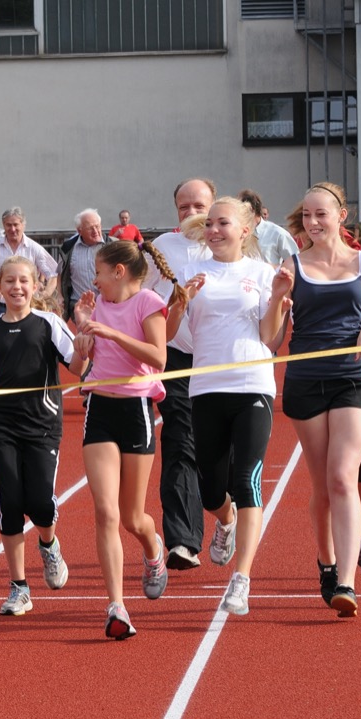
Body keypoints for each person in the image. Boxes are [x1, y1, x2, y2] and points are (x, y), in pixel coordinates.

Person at [263, 182, 361, 617]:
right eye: (307, 216)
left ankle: (348, 583)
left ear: (341, 216)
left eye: (322, 214)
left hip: (353, 377)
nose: (314, 223)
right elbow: (270, 339)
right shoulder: (291, 264)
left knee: (342, 478)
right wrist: (279, 297)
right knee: (322, 486)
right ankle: (326, 561)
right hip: (306, 379)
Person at [165, 197, 282, 616]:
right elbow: (169, 333)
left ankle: (242, 577)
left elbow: (270, 337)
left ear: (244, 230)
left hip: (252, 386)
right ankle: (225, 521)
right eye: (210, 224)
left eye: (223, 223)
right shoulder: (190, 273)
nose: (214, 230)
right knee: (213, 489)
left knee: (249, 482)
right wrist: (180, 301)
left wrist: (280, 299)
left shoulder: (261, 273)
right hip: (206, 388)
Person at [0, 256, 86, 617]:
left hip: (41, 425)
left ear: (35, 285)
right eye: (9, 281)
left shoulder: (49, 323)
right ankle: (19, 587)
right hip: (0, 427)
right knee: (9, 502)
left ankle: (48, 543)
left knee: (39, 502)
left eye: (23, 281)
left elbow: (78, 366)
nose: (17, 287)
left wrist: (85, 339)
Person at [73, 241, 171, 639]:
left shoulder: (148, 301)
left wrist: (108, 331)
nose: (93, 279)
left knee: (133, 518)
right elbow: (82, 362)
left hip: (136, 411)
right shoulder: (95, 307)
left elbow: (158, 357)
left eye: (98, 271)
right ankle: (116, 604)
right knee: (106, 512)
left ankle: (153, 549)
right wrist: (83, 336)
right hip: (100, 408)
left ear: (118, 271)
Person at [150, 177, 216, 572]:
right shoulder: (163, 248)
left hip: (221, 362)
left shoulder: (231, 245)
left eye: (198, 206)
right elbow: (143, 297)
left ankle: (224, 514)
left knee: (217, 456)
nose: (191, 214)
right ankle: (182, 540)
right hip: (174, 359)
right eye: (183, 207)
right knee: (178, 443)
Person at [0, 206, 60, 317]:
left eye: (16, 224)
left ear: (23, 225)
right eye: (8, 225)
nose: (12, 229)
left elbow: (53, 273)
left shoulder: (34, 248)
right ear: (3, 225)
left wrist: (45, 294)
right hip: (0, 306)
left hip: (29, 306)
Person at [58, 208, 113, 321]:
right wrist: (60, 295)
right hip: (80, 305)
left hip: (107, 303)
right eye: (90, 228)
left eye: (97, 226)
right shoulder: (67, 248)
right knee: (85, 337)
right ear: (79, 230)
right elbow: (59, 273)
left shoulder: (112, 246)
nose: (96, 231)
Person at [238, 189, 299, 266]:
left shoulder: (278, 233)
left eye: (240, 211)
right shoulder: (236, 233)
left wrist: (273, 269)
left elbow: (295, 264)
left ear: (251, 210)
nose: (237, 215)